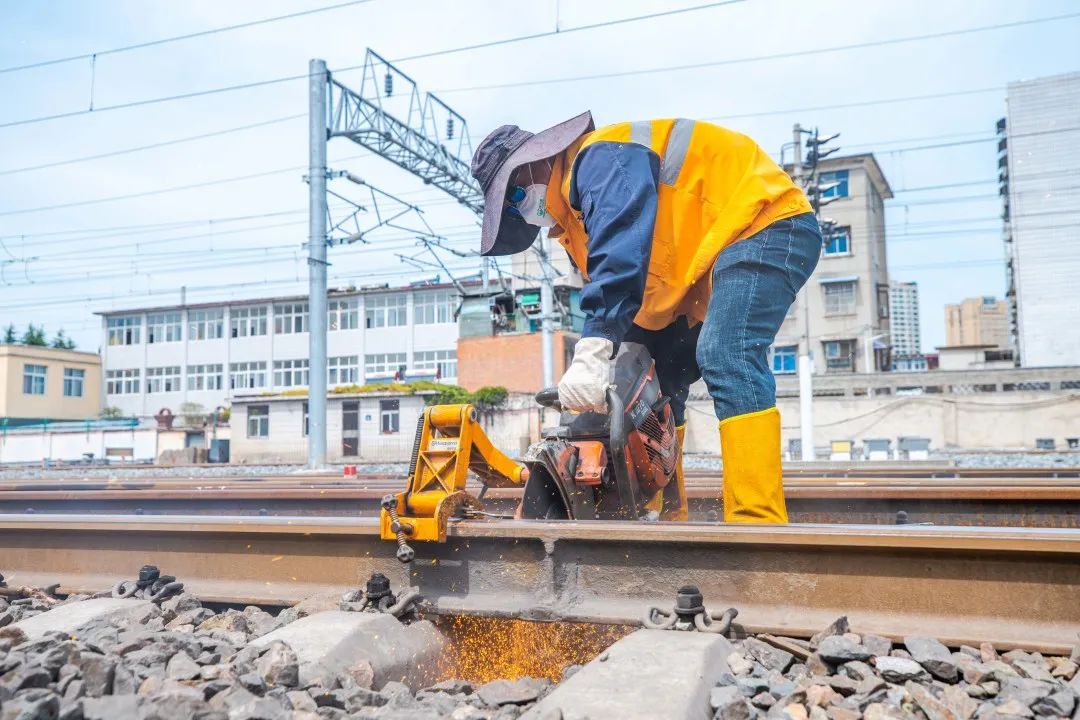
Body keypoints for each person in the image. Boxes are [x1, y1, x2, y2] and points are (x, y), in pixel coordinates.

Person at [470, 112, 821, 523]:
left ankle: (758, 521)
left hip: (764, 222)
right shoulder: (573, 224)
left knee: (727, 352)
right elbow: (628, 292)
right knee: (654, 384)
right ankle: (666, 516)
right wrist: (617, 370)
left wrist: (592, 352)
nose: (522, 210)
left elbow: (620, 257)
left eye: (515, 196)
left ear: (536, 162)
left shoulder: (597, 158)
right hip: (701, 264)